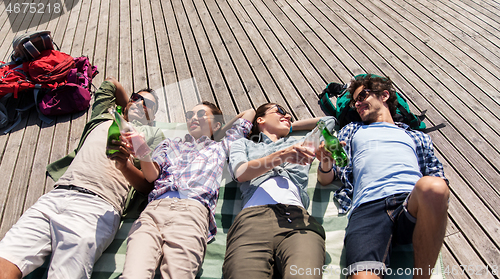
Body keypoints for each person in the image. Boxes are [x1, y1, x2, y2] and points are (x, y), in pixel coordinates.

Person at [0, 77, 165, 279]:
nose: (140, 103)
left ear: (153, 116)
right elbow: (110, 84)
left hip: (96, 207)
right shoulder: (104, 116)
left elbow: (149, 184)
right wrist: (125, 110)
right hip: (56, 196)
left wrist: (124, 165)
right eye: (136, 98)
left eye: (147, 104)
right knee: (5, 261)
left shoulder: (151, 133)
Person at [322, 74, 449, 279]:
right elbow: (327, 177)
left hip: (410, 201)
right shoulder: (351, 130)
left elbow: (436, 174)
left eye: (362, 95)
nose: (358, 103)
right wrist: (326, 161)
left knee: (435, 187)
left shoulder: (416, 136)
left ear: (384, 95)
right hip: (368, 208)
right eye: (355, 102)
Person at [118, 102, 255, 279]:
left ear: (217, 124)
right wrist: (143, 150)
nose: (193, 118)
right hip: (153, 211)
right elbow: (151, 176)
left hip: (191, 213)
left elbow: (249, 113)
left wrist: (216, 132)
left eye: (200, 114)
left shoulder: (221, 147)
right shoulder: (170, 145)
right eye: (190, 115)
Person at [222, 103, 337, 279]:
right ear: (260, 120)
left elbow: (327, 121)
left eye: (289, 114)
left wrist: (290, 126)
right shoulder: (243, 144)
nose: (288, 115)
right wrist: (282, 155)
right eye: (280, 111)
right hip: (252, 221)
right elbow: (240, 173)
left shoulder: (302, 143)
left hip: (297, 220)